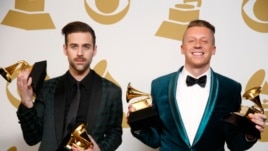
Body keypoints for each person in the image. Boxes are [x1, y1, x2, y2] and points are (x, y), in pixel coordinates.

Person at [128, 19, 267, 150]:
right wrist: (137, 124)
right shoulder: (159, 85)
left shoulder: (231, 88)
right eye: (191, 40)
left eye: (204, 41)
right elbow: (155, 139)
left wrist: (250, 133)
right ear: (182, 48)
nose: (198, 45)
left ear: (213, 49)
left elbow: (234, 144)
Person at [16, 21, 123, 151]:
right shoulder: (47, 88)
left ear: (94, 50)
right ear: (65, 49)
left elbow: (115, 133)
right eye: (74, 46)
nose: (80, 53)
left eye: (86, 47)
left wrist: (100, 149)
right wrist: (27, 102)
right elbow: (32, 138)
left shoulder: (111, 92)